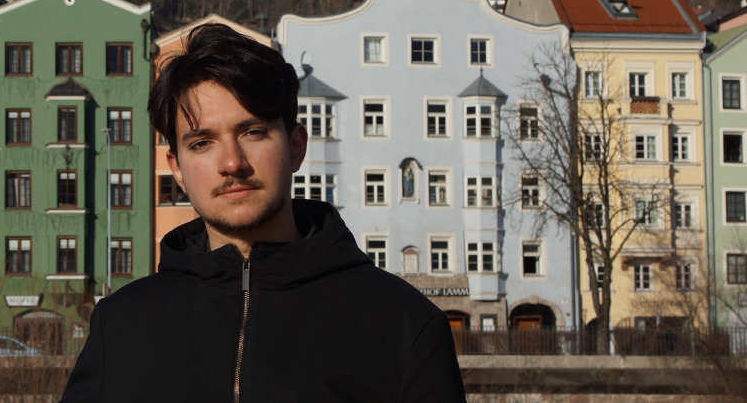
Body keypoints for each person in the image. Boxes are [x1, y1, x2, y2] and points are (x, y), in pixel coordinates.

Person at [58, 24, 466, 402]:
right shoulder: (121, 327)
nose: (232, 163)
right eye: (202, 143)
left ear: (295, 146)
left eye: (252, 132)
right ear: (177, 169)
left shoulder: (402, 325)